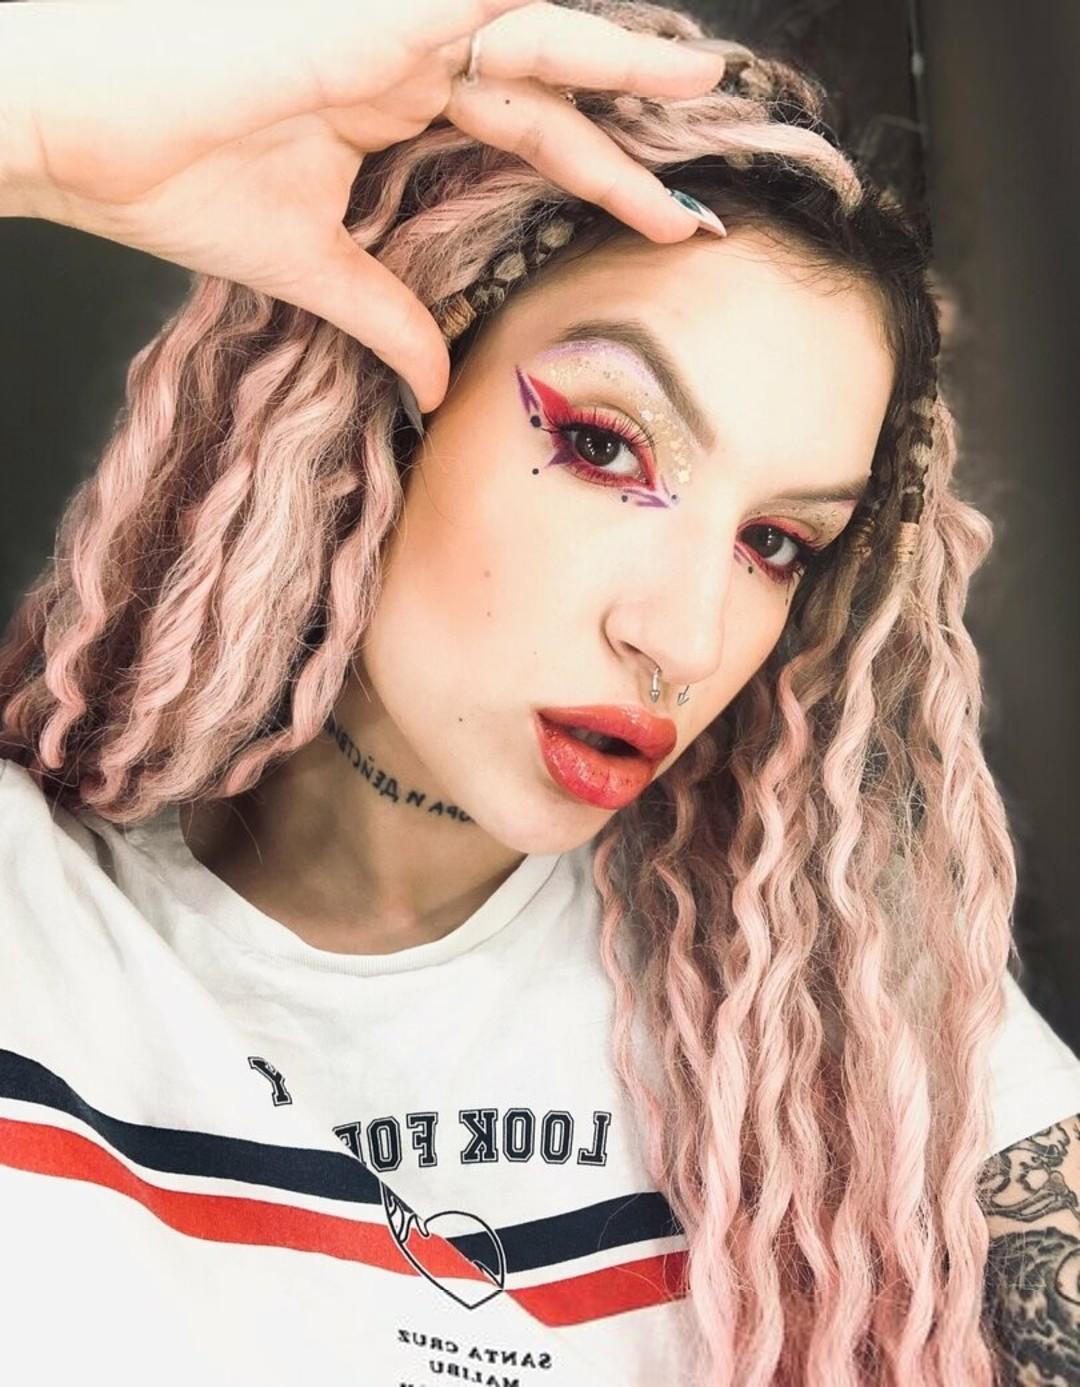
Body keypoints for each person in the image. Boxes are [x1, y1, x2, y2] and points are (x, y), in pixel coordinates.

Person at [1, 2, 1078, 1383]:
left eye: (774, 543)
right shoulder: (35, 926)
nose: (683, 634)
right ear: (376, 412)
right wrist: (43, 123)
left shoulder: (826, 1002)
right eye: (605, 446)